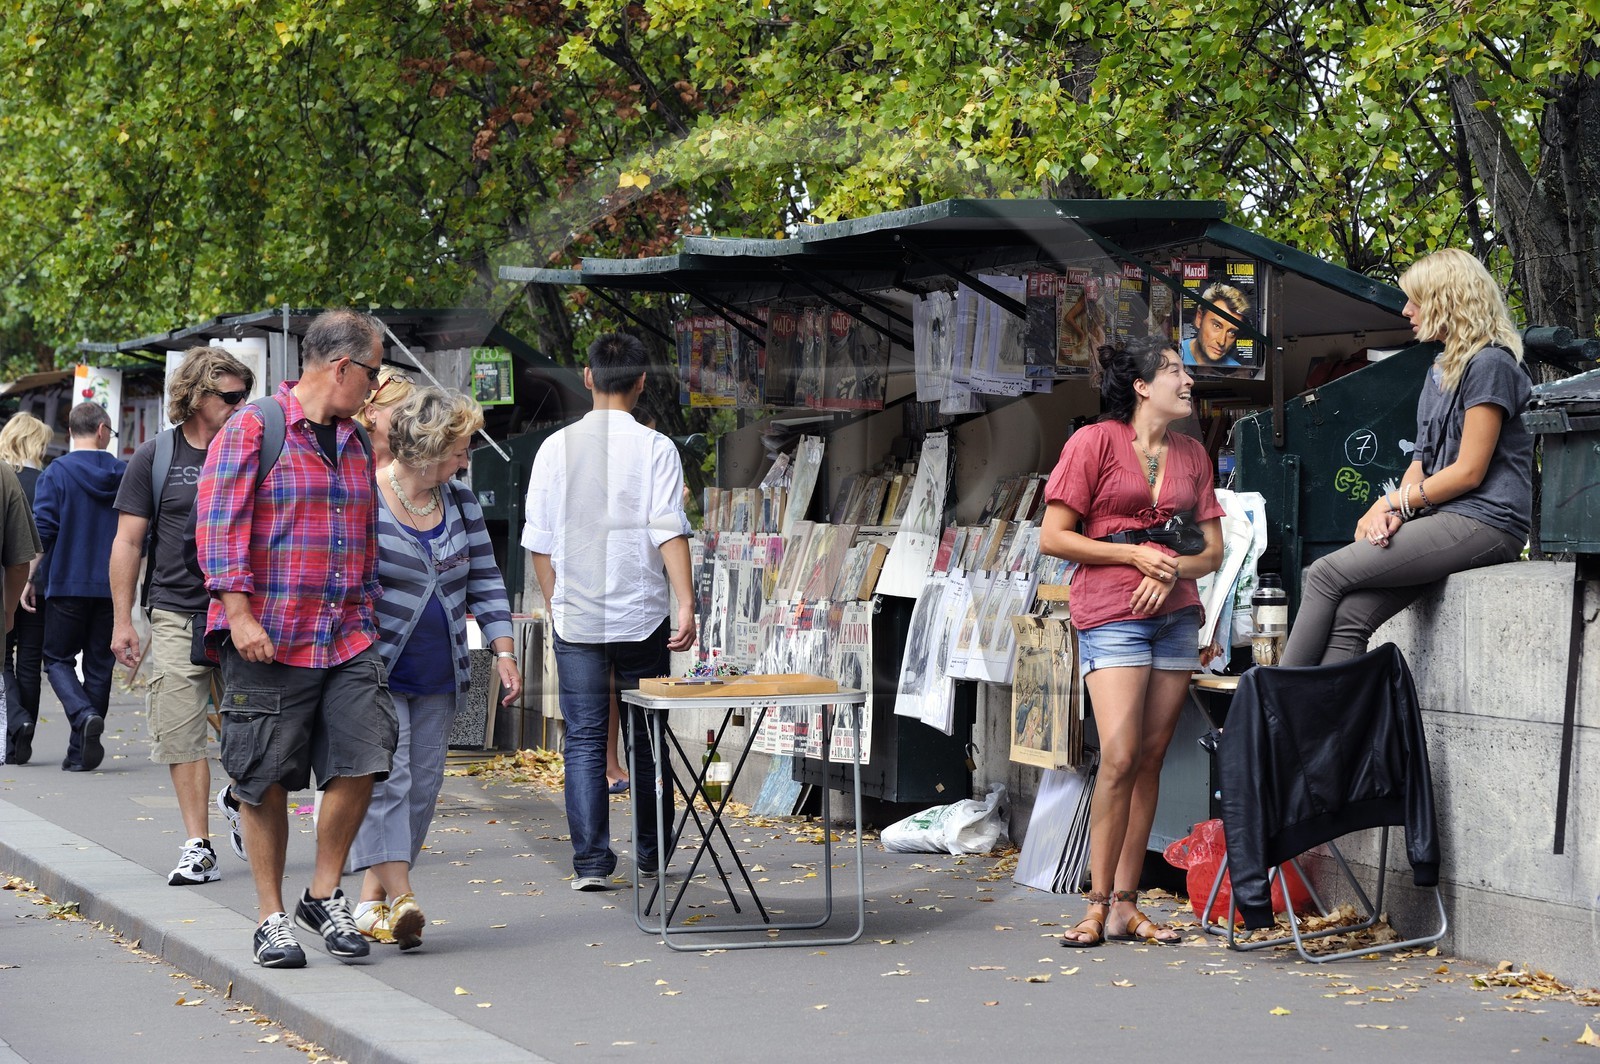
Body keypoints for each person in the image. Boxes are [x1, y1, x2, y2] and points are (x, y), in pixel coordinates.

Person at [195, 309, 398, 969]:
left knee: (366, 755)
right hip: (268, 640)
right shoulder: (253, 428)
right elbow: (218, 527)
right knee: (264, 780)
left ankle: (320, 893)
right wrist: (240, 613)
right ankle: (270, 917)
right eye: (371, 373)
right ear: (341, 367)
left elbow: (363, 537)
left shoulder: (357, 441)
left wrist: (369, 611)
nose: (373, 388)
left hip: (346, 636)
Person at [1039, 337, 1225, 947]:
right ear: (1142, 386)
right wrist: (1131, 554)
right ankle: (1093, 903)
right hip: (1110, 613)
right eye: (1174, 370)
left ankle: (1126, 905)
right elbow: (1055, 537)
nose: (1188, 379)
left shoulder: (1194, 454)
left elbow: (1213, 551)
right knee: (1118, 756)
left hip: (1175, 618)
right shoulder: (1092, 443)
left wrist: (1169, 568)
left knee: (1149, 758)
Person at [1280, 249, 1532, 668]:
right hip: (1442, 520)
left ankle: (1273, 716)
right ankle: (1325, 731)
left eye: (1416, 300)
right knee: (1350, 616)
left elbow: (1469, 472)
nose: (1406, 310)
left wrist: (1388, 503)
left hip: (1487, 521)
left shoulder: (1491, 364)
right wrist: (1401, 513)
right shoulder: (1440, 369)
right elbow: (1420, 460)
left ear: (1447, 300)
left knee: (1325, 574)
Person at [345, 387, 520, 950]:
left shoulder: (461, 501)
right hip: (377, 670)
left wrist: (504, 648)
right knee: (387, 782)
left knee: (421, 791)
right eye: (461, 448)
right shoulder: (366, 499)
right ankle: (403, 897)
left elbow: (486, 579)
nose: (466, 459)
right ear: (427, 449)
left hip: (442, 673)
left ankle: (370, 903)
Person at [522, 331, 696, 891]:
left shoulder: (554, 448)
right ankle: (652, 856)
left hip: (577, 620)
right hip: (643, 616)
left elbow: (539, 543)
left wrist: (557, 605)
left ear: (589, 377)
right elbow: (668, 528)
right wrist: (686, 602)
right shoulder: (657, 448)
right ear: (642, 383)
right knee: (648, 738)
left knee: (583, 740)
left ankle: (592, 864)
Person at [109, 346, 255, 884]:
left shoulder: (256, 451)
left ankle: (238, 796)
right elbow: (128, 541)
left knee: (255, 728)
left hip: (242, 611)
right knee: (180, 728)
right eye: (231, 396)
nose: (243, 406)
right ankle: (199, 844)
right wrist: (123, 621)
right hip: (175, 611)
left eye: (247, 396)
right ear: (196, 394)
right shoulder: (156, 455)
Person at [30, 402, 125, 772]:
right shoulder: (124, 472)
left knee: (56, 659)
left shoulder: (56, 473)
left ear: (71, 431)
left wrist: (27, 578)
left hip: (66, 584)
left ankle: (83, 714)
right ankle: (80, 751)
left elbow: (44, 529)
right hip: (110, 587)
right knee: (101, 665)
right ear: (102, 430)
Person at [0, 414, 52, 764]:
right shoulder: (46, 479)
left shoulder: (6, 477)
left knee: (5, 659)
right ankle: (24, 731)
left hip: (9, 587)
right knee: (30, 662)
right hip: (38, 585)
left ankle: (14, 719)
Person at [354, 365, 417, 467]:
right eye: (400, 411)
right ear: (371, 412)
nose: (409, 419)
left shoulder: (415, 465)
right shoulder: (345, 456)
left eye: (412, 411)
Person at [1180, 283, 1251, 371]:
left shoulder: (1236, 370)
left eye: (1231, 332)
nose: (1221, 342)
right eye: (1216, 326)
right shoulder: (1176, 354)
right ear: (1199, 318)